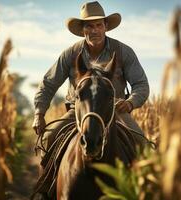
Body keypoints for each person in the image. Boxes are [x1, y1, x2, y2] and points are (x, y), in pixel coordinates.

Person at [32, 1, 149, 157]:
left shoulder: (123, 52)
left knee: (142, 145)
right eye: (89, 26)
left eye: (99, 25)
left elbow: (141, 84)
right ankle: (46, 181)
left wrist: (130, 103)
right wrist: (39, 114)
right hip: (79, 111)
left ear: (106, 26)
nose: (95, 30)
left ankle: (141, 181)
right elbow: (48, 83)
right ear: (82, 30)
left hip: (114, 111)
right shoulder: (70, 54)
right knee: (47, 139)